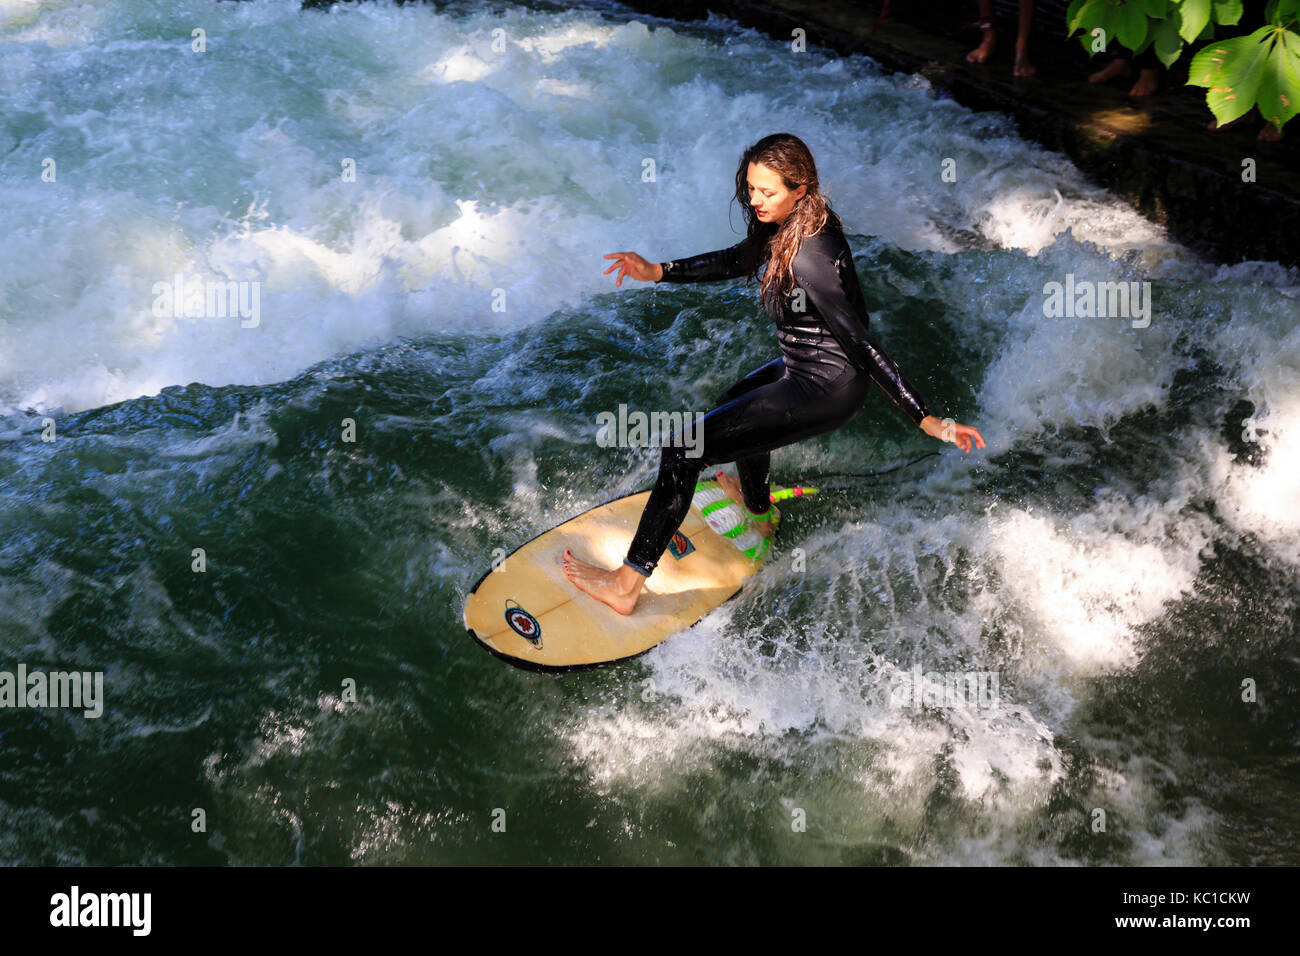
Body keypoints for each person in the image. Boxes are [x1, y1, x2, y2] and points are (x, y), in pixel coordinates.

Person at [562, 133, 985, 615]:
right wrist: (658, 270)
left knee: (683, 450)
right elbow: (737, 258)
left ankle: (627, 583)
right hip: (803, 367)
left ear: (800, 187)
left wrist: (925, 418)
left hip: (825, 386)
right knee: (734, 404)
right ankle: (759, 511)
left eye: (768, 192)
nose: (756, 201)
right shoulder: (791, 222)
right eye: (751, 189)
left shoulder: (810, 254)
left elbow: (861, 342)